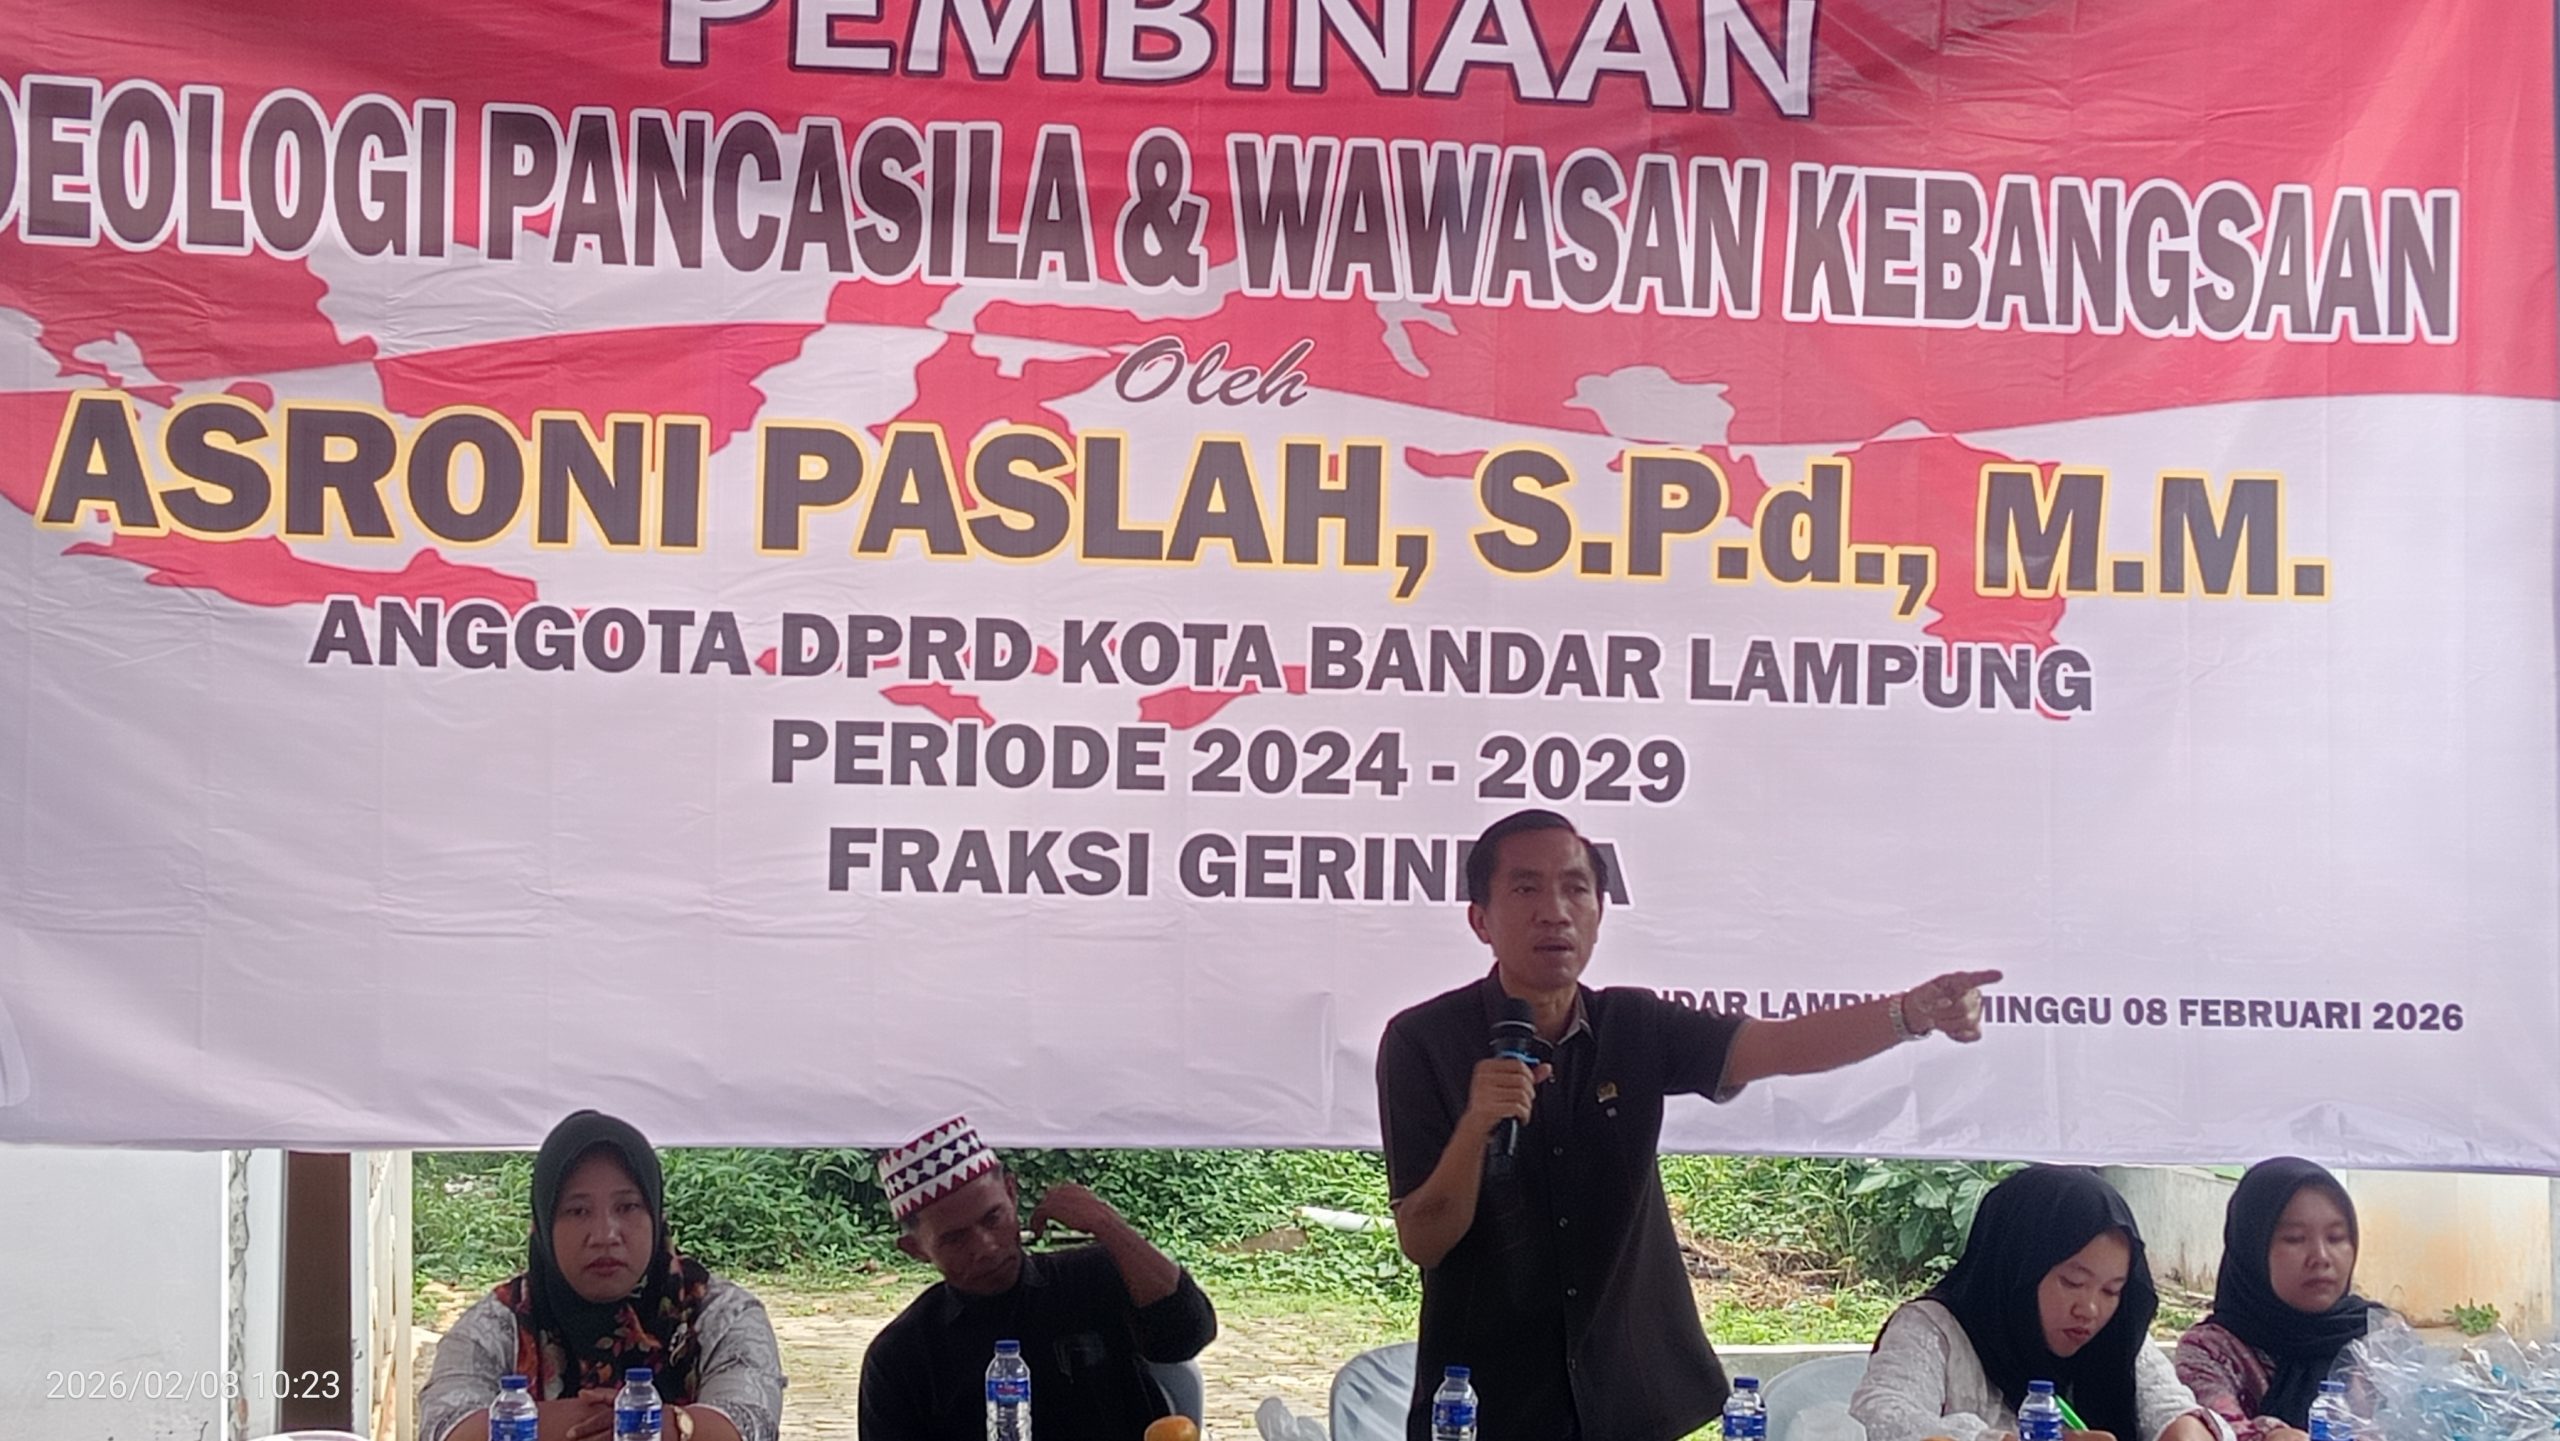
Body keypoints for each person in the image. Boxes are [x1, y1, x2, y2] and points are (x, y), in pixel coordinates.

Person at [1375, 806, 2003, 1441]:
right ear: (1480, 919)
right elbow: (1424, 1241)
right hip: (1483, 1403)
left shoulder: (1635, 1025)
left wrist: (1908, 1014)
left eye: (1576, 888)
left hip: (1632, 1402)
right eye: (1526, 888)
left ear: (1599, 912)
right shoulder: (1424, 1041)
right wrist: (1475, 1128)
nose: (1555, 911)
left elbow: (1779, 1045)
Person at [417, 1110, 784, 1441]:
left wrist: (663, 1426)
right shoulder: (498, 1325)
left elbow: (751, 1422)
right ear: (543, 1227)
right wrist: (616, 1422)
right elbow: (445, 1426)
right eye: (578, 1211)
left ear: (656, 1216)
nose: (605, 1234)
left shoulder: (720, 1314)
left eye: (628, 1206)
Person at [857, 1115, 1218, 1441]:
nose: (985, 1247)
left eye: (993, 1218)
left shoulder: (1091, 1279)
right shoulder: (902, 1357)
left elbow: (1187, 1336)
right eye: (955, 1239)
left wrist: (1108, 1225)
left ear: (1012, 1194)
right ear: (916, 1249)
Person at [1851, 1165, 2222, 1441]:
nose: (2090, 1310)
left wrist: (2185, 1429)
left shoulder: (2118, 1338)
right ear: (2018, 1267)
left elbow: (2171, 1407)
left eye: (2111, 1291)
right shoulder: (1934, 1331)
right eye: (2072, 1282)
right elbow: (1885, 1415)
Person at [2175, 1158, 2379, 1441]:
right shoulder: (2210, 1352)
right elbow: (2218, 1431)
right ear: (2252, 1248)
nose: (2321, 1257)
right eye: (2294, 1238)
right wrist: (2273, 1435)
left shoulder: (2376, 1338)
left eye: (2335, 1237)